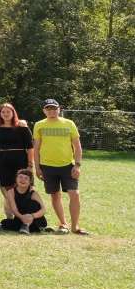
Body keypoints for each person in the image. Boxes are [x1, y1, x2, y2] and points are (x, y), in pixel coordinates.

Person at [32, 99, 87, 235]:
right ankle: (63, 224)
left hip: (68, 166)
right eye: (48, 108)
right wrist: (37, 168)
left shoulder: (69, 123)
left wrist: (78, 165)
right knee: (55, 196)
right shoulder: (39, 125)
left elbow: (77, 146)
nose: (51, 111)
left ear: (59, 109)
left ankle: (75, 226)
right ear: (44, 110)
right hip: (47, 167)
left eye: (54, 108)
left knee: (74, 194)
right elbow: (36, 148)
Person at [0, 103, 34, 219]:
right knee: (8, 192)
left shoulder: (22, 128)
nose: (5, 114)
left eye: (8, 112)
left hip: (21, 162)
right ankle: (10, 218)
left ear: (13, 113)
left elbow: (30, 147)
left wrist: (30, 165)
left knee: (23, 190)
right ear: (0, 114)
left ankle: (25, 217)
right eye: (3, 112)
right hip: (3, 163)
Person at [0, 169, 49, 234]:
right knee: (4, 223)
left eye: (26, 178)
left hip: (35, 218)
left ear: (30, 182)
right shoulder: (11, 192)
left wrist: (32, 216)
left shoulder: (33, 193)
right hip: (21, 217)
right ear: (16, 179)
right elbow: (14, 209)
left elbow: (43, 209)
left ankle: (29, 226)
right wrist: (21, 217)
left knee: (32, 204)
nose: (22, 180)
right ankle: (30, 227)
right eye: (20, 177)